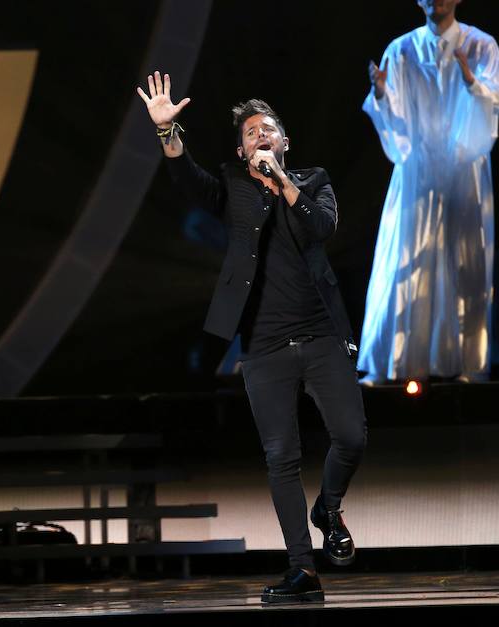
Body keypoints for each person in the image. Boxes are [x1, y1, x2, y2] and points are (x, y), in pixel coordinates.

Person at [137, 71, 367, 604]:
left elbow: (322, 229)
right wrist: (168, 133)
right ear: (242, 152)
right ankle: (302, 570)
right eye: (250, 133)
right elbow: (187, 181)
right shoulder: (234, 188)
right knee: (280, 456)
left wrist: (283, 182)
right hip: (263, 345)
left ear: (284, 142)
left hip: (322, 335)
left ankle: (328, 507)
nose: (260, 136)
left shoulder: (312, 182)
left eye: (268, 130)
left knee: (351, 437)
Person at [359, 0, 499, 385]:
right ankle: (397, 362)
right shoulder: (402, 48)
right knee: (406, 261)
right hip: (418, 171)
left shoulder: (480, 44)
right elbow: (394, 118)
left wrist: (471, 81)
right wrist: (381, 94)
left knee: (463, 261)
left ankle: (465, 363)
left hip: (463, 169)